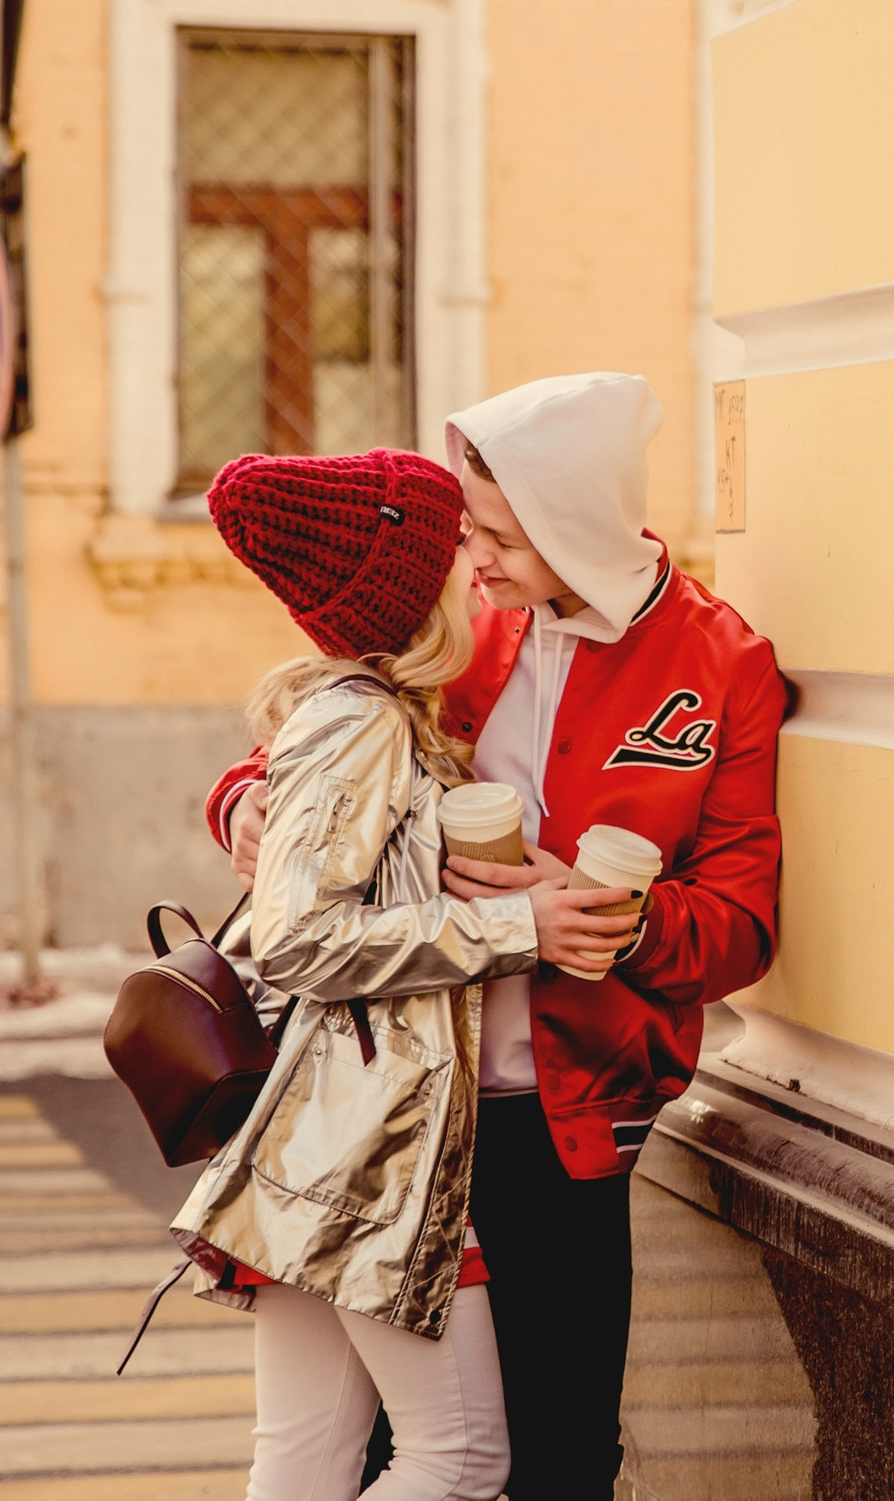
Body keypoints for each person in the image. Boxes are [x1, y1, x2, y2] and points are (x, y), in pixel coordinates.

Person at [207, 373, 786, 1499]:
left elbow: (745, 926)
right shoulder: (459, 628)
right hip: (402, 1103)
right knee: (389, 1451)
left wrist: (614, 923)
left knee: (562, 1454)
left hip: (567, 1129)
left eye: (501, 537)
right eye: (468, 531)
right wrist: (244, 805)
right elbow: (326, 735)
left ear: (572, 521)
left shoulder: (720, 664)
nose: (473, 559)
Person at [170, 446, 639, 1501]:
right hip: (366, 1152)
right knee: (460, 1457)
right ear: (410, 588)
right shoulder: (362, 723)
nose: (474, 564)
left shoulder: (365, 709)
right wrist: (512, 925)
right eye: (454, 549)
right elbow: (297, 936)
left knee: (302, 1457)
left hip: (322, 1143)